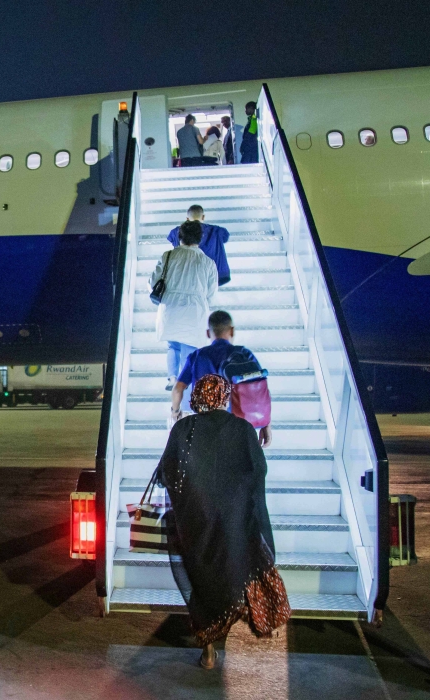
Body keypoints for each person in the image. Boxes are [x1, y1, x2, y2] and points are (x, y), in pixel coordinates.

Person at [156, 374, 290, 669]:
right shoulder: (242, 428)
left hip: (196, 524)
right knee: (232, 577)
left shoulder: (184, 428)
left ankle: (208, 651)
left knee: (202, 583)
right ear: (224, 397)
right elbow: (257, 472)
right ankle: (232, 633)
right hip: (234, 521)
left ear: (197, 398)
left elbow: (167, 474)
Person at [170, 311, 272, 447]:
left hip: (205, 426)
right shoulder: (244, 354)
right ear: (232, 331)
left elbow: (178, 389)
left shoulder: (197, 356)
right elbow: (260, 389)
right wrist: (266, 424)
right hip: (238, 425)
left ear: (208, 333)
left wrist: (175, 412)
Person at [151, 220, 219, 389]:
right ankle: (183, 385)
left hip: (171, 306)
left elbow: (153, 282)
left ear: (179, 237)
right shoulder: (208, 262)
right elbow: (211, 293)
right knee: (190, 349)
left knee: (173, 345)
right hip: (195, 309)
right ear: (200, 238)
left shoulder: (167, 256)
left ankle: (172, 377)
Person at [167, 204, 231, 286]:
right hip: (215, 276)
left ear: (187, 219)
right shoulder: (217, 231)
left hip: (187, 276)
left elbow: (171, 238)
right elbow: (225, 237)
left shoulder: (177, 232)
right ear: (203, 217)